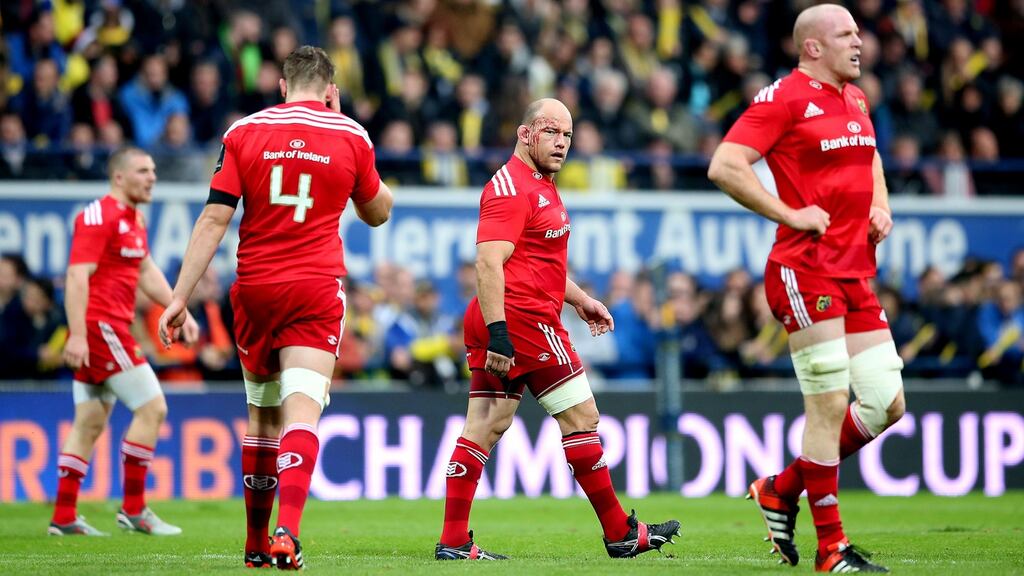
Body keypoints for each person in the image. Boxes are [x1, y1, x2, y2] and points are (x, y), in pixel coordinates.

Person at [157, 46, 393, 570]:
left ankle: (255, 544)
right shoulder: (351, 134)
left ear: (283, 87)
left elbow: (214, 220)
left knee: (261, 421)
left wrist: (178, 297)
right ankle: (288, 530)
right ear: (330, 88)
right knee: (302, 413)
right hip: (313, 288)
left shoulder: (243, 131)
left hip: (256, 289)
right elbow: (377, 213)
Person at [434, 98, 680, 561]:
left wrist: (582, 299)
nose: (562, 143)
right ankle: (620, 532)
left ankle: (453, 541)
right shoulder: (511, 186)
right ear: (526, 134)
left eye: (568, 135)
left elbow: (537, 261)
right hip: (522, 320)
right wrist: (501, 332)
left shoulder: (540, 184)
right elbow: (488, 261)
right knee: (581, 418)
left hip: (514, 317)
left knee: (486, 425)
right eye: (552, 132)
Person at [708, 4, 905, 573]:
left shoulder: (856, 99)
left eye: (858, 32)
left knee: (886, 402)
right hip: (805, 269)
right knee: (828, 405)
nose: (859, 41)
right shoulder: (783, 98)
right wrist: (789, 213)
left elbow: (869, 161)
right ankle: (831, 549)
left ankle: (780, 488)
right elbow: (725, 165)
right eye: (846, 34)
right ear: (813, 47)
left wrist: (881, 204)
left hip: (854, 271)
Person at [50, 147, 199, 537]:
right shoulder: (98, 216)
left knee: (89, 421)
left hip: (104, 328)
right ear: (118, 177)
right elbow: (77, 276)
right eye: (142, 171)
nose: (152, 177)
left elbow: (146, 269)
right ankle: (134, 510)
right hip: (101, 328)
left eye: (153, 170)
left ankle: (64, 516)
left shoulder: (135, 219)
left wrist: (178, 309)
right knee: (153, 409)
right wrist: (78, 334)